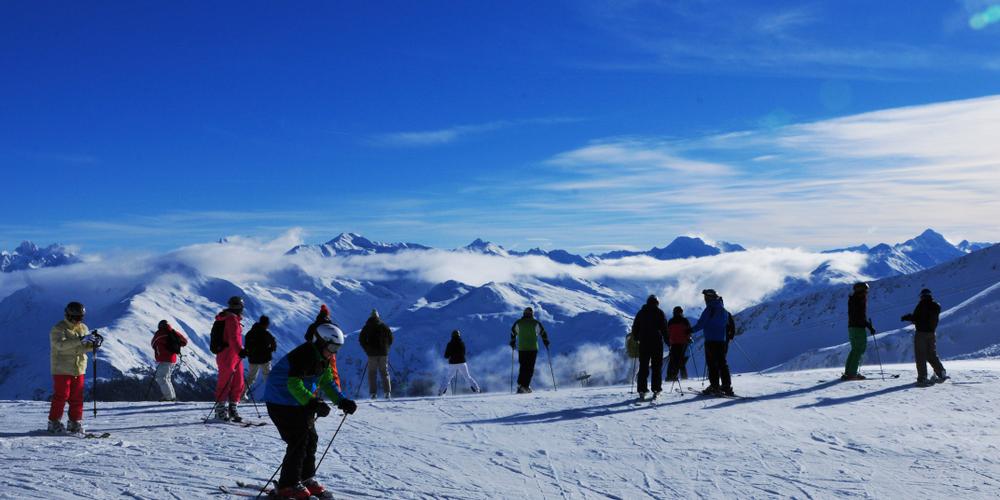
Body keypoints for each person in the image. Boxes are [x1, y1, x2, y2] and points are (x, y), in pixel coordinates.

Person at [264, 321, 357, 499]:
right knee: (298, 440)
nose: (334, 352)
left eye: (337, 348)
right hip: (280, 401)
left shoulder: (323, 358)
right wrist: (313, 403)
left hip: (299, 401)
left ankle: (305, 479)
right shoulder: (305, 355)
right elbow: (293, 383)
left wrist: (342, 401)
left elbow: (327, 381)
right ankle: (288, 485)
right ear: (321, 342)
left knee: (311, 439)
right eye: (332, 347)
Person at [48, 301, 102, 434]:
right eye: (76, 317)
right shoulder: (59, 328)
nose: (78, 320)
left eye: (81, 317)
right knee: (61, 396)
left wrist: (94, 344)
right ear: (68, 315)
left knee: (77, 396)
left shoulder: (83, 328)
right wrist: (81, 340)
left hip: (79, 368)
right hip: (62, 368)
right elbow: (60, 345)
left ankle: (75, 421)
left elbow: (83, 347)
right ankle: (54, 422)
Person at [691, 289, 735, 396]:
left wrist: (689, 330)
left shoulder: (709, 309)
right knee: (722, 363)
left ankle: (715, 387)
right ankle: (727, 386)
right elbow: (728, 324)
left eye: (706, 297)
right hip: (722, 341)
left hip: (711, 341)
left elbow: (701, 324)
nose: (705, 299)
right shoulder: (724, 311)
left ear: (709, 298)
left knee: (712, 364)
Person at [902, 288, 948, 387]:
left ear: (922, 296)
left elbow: (916, 318)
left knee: (921, 356)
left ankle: (922, 378)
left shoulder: (921, 305)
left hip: (921, 334)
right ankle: (941, 372)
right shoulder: (936, 306)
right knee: (931, 354)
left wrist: (907, 317)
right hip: (931, 333)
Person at [213, 296, 246, 422]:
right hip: (228, 354)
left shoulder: (231, 318)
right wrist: (240, 351)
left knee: (238, 381)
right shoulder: (231, 319)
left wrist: (239, 351)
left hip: (233, 354)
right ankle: (221, 410)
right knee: (227, 382)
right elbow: (233, 338)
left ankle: (231, 408)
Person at [630, 295, 668, 400]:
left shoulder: (641, 313)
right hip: (657, 343)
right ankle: (656, 389)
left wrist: (637, 338)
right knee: (656, 367)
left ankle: (642, 390)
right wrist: (668, 341)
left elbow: (635, 328)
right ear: (657, 303)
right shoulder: (660, 313)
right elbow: (664, 329)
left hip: (644, 343)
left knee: (643, 367)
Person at [510, 307, 550, 394]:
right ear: (532, 314)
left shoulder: (519, 322)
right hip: (532, 348)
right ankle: (525, 387)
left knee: (523, 367)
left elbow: (513, 332)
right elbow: (543, 333)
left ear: (524, 314)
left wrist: (513, 342)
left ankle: (520, 385)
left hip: (522, 348)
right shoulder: (535, 323)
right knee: (530, 368)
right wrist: (545, 341)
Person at [843, 282, 876, 381]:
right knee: (859, 349)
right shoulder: (858, 301)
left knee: (854, 350)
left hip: (852, 327)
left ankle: (849, 372)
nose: (866, 293)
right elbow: (860, 317)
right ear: (860, 291)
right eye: (865, 291)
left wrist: (868, 325)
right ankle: (852, 373)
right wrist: (869, 326)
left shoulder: (853, 300)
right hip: (858, 328)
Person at [305, 305, 341, 392]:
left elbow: (307, 337)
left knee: (314, 374)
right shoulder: (333, 326)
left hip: (314, 352)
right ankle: (337, 391)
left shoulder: (313, 326)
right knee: (333, 372)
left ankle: (313, 393)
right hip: (330, 351)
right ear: (328, 315)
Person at [359, 309, 393, 400]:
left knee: (372, 373)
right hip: (383, 353)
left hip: (372, 354)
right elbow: (391, 338)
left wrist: (367, 350)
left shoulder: (367, 327)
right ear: (378, 316)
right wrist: (386, 348)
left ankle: (373, 393)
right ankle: (387, 392)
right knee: (384, 372)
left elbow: (361, 340)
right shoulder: (384, 326)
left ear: (370, 316)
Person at [151, 319, 189, 402]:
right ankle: (172, 397)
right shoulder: (173, 332)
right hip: (173, 359)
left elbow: (153, 343)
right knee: (167, 378)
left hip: (164, 358)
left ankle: (168, 397)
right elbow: (184, 342)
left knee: (161, 378)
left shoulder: (159, 333)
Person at [243, 315, 277, 400]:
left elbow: (246, 345)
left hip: (253, 359)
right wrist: (270, 350)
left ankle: (241, 394)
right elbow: (273, 344)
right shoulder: (266, 333)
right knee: (267, 377)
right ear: (266, 324)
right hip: (265, 358)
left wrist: (248, 352)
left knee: (251, 377)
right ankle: (272, 395)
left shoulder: (250, 333)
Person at [439, 330, 481, 395]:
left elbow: (446, 355)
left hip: (452, 363)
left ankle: (441, 392)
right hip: (462, 362)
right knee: (467, 377)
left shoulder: (450, 344)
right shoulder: (462, 343)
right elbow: (464, 353)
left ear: (452, 336)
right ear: (459, 335)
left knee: (448, 378)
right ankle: (477, 390)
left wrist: (450, 356)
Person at [665, 306, 693, 383]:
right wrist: (689, 338)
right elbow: (688, 331)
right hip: (683, 343)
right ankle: (681, 377)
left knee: (672, 360)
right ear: (681, 312)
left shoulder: (670, 321)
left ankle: (670, 376)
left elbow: (668, 332)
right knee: (680, 360)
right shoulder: (685, 321)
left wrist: (668, 341)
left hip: (673, 343)